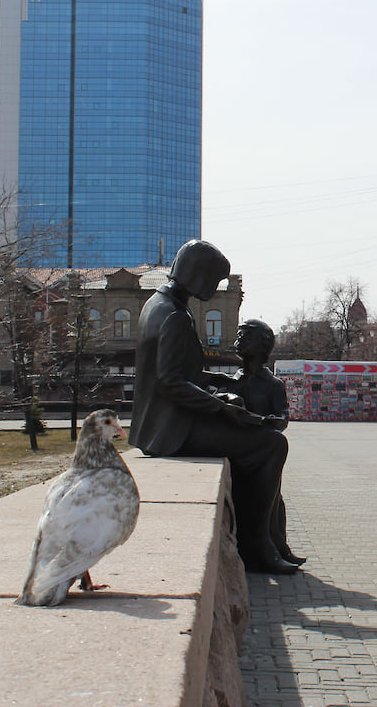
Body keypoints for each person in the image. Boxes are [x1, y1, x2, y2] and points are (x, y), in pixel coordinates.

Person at [130, 240, 298, 575]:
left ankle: (268, 538)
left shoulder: (159, 304)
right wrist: (224, 410)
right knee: (271, 445)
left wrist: (220, 389)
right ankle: (256, 545)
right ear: (198, 273)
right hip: (171, 429)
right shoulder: (175, 315)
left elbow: (181, 372)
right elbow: (171, 382)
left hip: (159, 423)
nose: (217, 287)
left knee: (256, 439)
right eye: (214, 279)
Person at [212, 319, 304, 566]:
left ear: (263, 345)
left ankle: (279, 547)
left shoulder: (273, 384)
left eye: (246, 336)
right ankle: (259, 550)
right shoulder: (231, 382)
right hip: (240, 451)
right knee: (253, 498)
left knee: (275, 500)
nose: (238, 340)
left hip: (263, 452)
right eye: (238, 335)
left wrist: (271, 421)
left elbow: (283, 416)